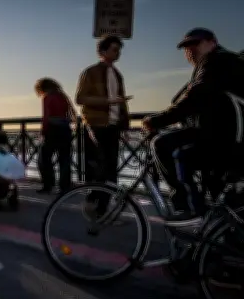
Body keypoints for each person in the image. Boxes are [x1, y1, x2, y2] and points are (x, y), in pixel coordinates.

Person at [143, 28, 244, 223]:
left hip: (226, 138)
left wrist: (157, 120)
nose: (190, 51)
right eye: (186, 48)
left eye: (195, 44)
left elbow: (195, 97)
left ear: (212, 42)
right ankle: (213, 230)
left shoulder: (216, 61)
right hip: (224, 134)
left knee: (165, 146)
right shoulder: (224, 63)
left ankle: (188, 208)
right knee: (212, 185)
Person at [75, 35, 132, 215]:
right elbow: (80, 98)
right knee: (101, 166)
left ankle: (103, 207)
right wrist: (107, 101)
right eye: (115, 49)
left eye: (119, 50)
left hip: (113, 125)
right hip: (96, 123)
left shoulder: (117, 74)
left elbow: (122, 102)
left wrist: (125, 126)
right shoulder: (90, 72)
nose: (118, 53)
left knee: (111, 167)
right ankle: (95, 201)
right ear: (103, 51)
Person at [35, 77, 76, 194]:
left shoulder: (47, 97)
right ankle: (64, 186)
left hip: (52, 130)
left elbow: (46, 116)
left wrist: (43, 132)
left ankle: (48, 184)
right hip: (65, 129)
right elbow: (70, 113)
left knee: (44, 158)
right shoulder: (62, 96)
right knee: (64, 159)